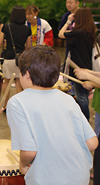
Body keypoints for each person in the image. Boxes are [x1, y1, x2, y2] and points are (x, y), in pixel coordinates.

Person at [7, 45, 98, 185]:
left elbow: (30, 151)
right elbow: (92, 142)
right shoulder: (68, 99)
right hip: (80, 175)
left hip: (46, 178)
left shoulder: (17, 103)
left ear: (26, 74)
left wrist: (23, 165)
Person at [59, 7, 96, 121]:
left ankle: (84, 119)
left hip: (77, 68)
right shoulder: (91, 31)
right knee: (83, 94)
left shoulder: (77, 33)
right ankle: (84, 118)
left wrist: (68, 21)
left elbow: (61, 34)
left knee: (81, 96)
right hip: (88, 66)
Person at [0, 5, 31, 106]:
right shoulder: (27, 29)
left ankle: (6, 105)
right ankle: (19, 105)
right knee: (18, 82)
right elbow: (29, 46)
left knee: (6, 82)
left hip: (9, 58)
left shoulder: (6, 26)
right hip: (20, 59)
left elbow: (0, 43)